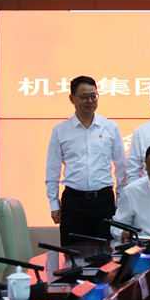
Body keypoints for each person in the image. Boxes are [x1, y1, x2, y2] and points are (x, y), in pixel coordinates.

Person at [45, 75, 126, 246]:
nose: (90, 101)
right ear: (72, 99)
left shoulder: (110, 127)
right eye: (84, 97)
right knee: (72, 253)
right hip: (73, 202)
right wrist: (54, 204)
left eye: (93, 96)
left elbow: (121, 167)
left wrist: (120, 200)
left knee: (105, 252)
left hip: (103, 201)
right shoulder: (60, 130)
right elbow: (52, 171)